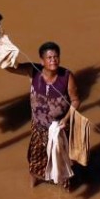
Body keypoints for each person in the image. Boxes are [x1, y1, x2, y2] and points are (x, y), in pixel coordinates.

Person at [10, 41, 80, 187]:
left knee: (62, 162)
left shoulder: (67, 76)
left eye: (56, 57)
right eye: (49, 57)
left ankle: (64, 192)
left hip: (60, 128)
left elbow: (75, 101)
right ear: (42, 61)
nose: (53, 60)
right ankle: (33, 186)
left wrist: (66, 119)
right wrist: (5, 50)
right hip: (39, 126)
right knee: (35, 159)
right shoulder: (33, 71)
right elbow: (10, 68)